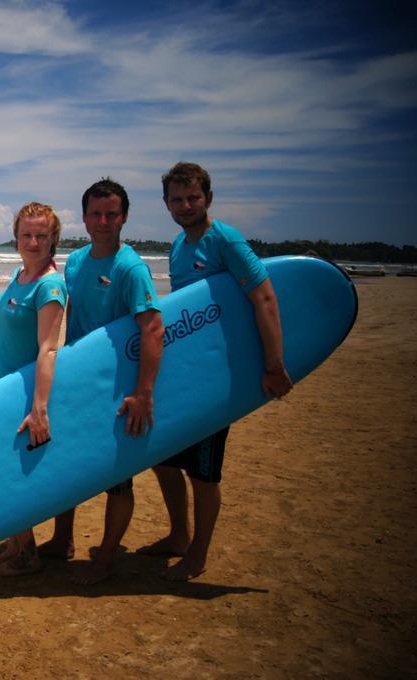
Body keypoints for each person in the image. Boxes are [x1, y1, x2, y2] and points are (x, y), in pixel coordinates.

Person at [137, 161, 294, 580]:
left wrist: (274, 365)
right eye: (177, 199)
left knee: (204, 473)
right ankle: (178, 536)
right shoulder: (177, 246)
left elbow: (264, 299)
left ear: (208, 197)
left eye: (193, 197)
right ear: (166, 203)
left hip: (220, 377)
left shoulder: (225, 240)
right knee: (163, 458)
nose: (185, 205)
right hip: (188, 372)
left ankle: (198, 554)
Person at [34, 178, 164, 584]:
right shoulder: (75, 262)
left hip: (117, 387)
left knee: (117, 476)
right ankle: (62, 540)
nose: (103, 221)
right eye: (96, 213)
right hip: (77, 382)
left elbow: (153, 329)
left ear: (123, 216)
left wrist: (143, 394)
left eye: (111, 214)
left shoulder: (131, 268)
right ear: (85, 217)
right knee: (67, 465)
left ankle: (106, 558)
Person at [0, 202, 68, 576]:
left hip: (24, 396)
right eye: (26, 235)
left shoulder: (49, 285)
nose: (33, 242)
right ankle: (15, 544)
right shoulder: (21, 275)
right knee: (5, 470)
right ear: (16, 238)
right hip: (2, 390)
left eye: (41, 235)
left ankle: (26, 554)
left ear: (53, 239)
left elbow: (49, 348)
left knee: (13, 476)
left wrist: (40, 407)